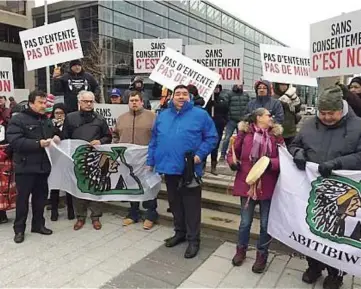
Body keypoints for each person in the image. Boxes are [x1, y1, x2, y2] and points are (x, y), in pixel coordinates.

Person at [289, 86, 361, 289]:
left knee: (335, 235)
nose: (327, 117)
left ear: (342, 109)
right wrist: (297, 153)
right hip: (312, 191)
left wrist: (338, 163)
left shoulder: (358, 127)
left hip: (342, 193)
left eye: (331, 113)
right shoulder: (309, 124)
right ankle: (313, 265)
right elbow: (295, 144)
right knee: (311, 229)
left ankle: (335, 272)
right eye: (323, 113)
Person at [147, 84, 218, 259]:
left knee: (191, 207)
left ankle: (194, 239)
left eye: (184, 94)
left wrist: (200, 155)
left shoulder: (200, 115)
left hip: (189, 170)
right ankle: (180, 232)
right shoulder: (163, 115)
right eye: (177, 93)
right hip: (169, 168)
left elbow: (212, 137)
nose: (180, 96)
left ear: (190, 97)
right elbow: (154, 139)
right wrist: (151, 160)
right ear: (172, 97)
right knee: (175, 204)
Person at [227, 108, 284, 273]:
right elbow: (232, 153)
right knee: (245, 222)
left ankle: (262, 255)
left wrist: (269, 163)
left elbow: (284, 159)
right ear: (258, 117)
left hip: (268, 184)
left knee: (266, 224)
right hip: (247, 182)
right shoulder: (244, 134)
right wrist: (232, 162)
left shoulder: (276, 136)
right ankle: (241, 250)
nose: (271, 117)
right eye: (268, 115)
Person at [6, 90, 60, 244]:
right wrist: (38, 144)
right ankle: (19, 230)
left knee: (40, 199)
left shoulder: (46, 120)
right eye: (40, 103)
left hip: (43, 167)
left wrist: (57, 136)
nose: (44, 106)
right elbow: (15, 141)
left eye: (45, 103)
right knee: (22, 201)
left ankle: (38, 225)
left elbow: (54, 133)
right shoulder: (18, 120)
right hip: (25, 166)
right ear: (31, 103)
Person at [62, 90, 112, 231]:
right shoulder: (70, 118)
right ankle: (80, 217)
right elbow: (65, 138)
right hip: (77, 159)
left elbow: (108, 137)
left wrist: (100, 141)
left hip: (95, 159)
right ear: (79, 102)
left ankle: (95, 216)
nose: (89, 104)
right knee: (78, 187)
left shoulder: (100, 119)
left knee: (95, 187)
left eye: (91, 101)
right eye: (86, 101)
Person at [113, 91, 157, 230]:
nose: (134, 103)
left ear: (142, 102)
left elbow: (158, 136)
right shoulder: (121, 118)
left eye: (136, 100)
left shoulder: (153, 117)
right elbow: (115, 135)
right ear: (128, 102)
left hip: (146, 159)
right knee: (131, 186)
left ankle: (151, 214)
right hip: (128, 160)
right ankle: (133, 213)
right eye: (131, 100)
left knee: (149, 185)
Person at [48, 103, 75, 221]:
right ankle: (54, 211)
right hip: (54, 160)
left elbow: (70, 138)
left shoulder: (69, 124)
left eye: (61, 113)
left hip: (67, 158)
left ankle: (71, 211)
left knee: (69, 186)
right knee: (55, 186)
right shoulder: (49, 124)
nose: (59, 115)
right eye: (56, 113)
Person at [219, 83, 250, 161]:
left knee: (242, 139)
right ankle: (222, 155)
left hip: (242, 121)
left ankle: (240, 155)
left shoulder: (246, 95)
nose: (240, 85)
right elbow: (225, 106)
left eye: (241, 84)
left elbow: (249, 107)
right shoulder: (229, 94)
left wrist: (246, 118)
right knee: (227, 138)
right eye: (238, 84)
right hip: (232, 120)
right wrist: (227, 117)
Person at [206, 84, 228, 174]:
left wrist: (224, 120)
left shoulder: (222, 99)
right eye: (215, 87)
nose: (216, 89)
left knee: (215, 145)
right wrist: (210, 104)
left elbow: (225, 110)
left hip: (219, 125)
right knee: (207, 144)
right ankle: (203, 165)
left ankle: (213, 166)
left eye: (218, 88)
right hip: (209, 125)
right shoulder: (208, 99)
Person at [0, 95, 11, 223]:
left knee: (3, 187)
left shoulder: (7, 118)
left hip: (4, 153)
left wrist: (7, 150)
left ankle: (2, 213)